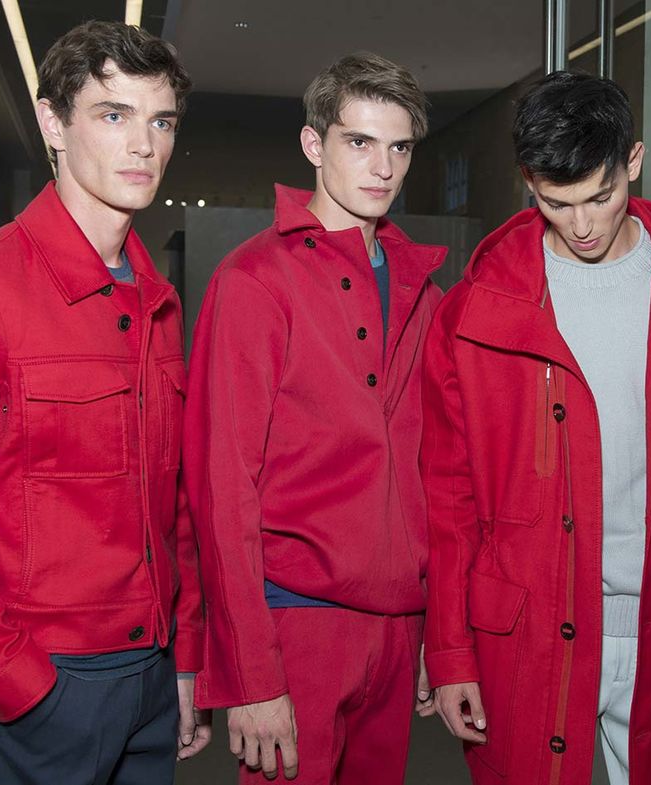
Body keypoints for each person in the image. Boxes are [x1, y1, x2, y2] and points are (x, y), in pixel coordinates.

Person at [0, 20, 209, 783]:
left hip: (150, 680)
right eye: (112, 115)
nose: (143, 145)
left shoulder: (157, 300)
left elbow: (172, 500)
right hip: (44, 689)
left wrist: (183, 658)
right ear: (54, 123)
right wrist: (11, 681)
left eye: (160, 122)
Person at [423, 71, 651, 784]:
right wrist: (451, 651)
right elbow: (450, 500)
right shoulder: (472, 312)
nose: (582, 224)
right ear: (529, 181)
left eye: (601, 196)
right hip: (524, 634)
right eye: (557, 203)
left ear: (635, 161)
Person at [184, 52, 442, 784]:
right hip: (295, 621)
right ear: (314, 145)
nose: (382, 167)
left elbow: (438, 474)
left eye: (399, 147)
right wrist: (252, 673)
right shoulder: (254, 279)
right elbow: (222, 484)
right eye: (359, 142)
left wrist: (436, 634)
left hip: (399, 625)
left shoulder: (425, 289)